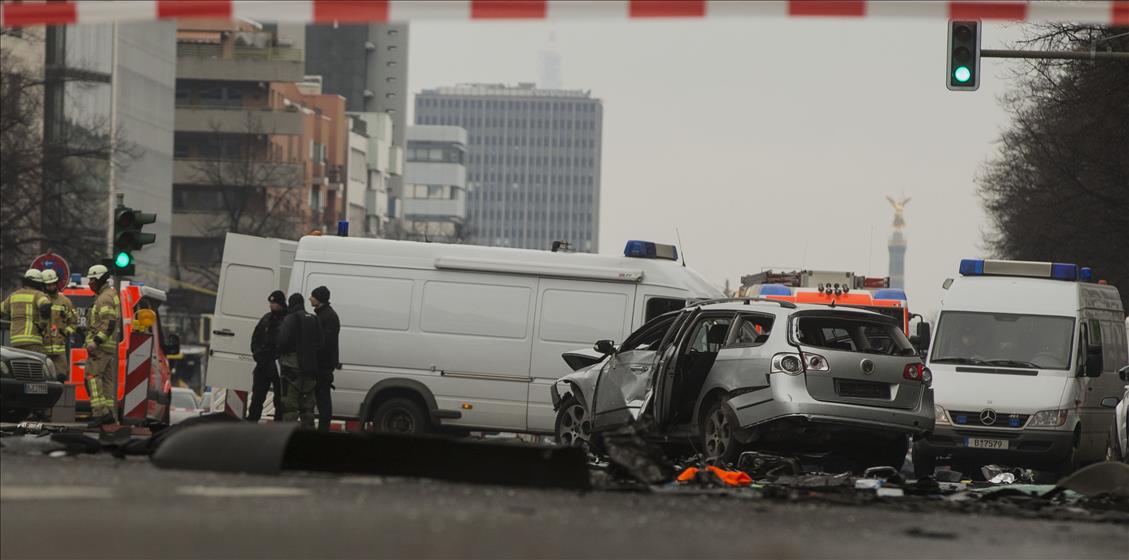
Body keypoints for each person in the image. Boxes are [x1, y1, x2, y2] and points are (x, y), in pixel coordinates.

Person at [274, 293, 322, 428]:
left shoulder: (290, 319)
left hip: (292, 368)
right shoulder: (314, 319)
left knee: (290, 406)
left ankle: (291, 436)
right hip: (311, 369)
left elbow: (282, 341)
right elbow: (321, 343)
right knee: (307, 408)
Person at [83, 264, 121, 427]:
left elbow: (108, 322)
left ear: (100, 279)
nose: (90, 283)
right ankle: (110, 414)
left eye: (92, 279)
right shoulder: (110, 294)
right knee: (107, 382)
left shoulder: (104, 298)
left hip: (100, 348)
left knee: (91, 377)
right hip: (109, 348)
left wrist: (95, 342)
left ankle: (100, 413)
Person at [247, 290, 287, 422]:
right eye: (270, 303)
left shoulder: (288, 320)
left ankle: (278, 427)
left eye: (273, 303)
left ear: (280, 304)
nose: (270, 305)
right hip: (263, 364)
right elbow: (255, 339)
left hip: (278, 366)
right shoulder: (266, 318)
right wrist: (257, 355)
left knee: (280, 400)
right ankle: (252, 422)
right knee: (257, 397)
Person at [309, 285, 339, 432]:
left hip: (323, 366)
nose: (310, 298)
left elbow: (325, 343)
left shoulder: (327, 317)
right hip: (322, 365)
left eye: (312, 296)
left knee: (323, 401)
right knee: (321, 400)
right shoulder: (324, 315)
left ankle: (323, 430)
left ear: (319, 299)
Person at [1, 269, 51, 355]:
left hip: (15, 341)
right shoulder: (38, 295)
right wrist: (42, 325)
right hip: (32, 341)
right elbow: (45, 308)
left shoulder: (14, 295)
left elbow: (1, 309)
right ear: (38, 283)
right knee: (34, 366)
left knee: (18, 367)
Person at [40, 269, 77, 379]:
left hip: (59, 348)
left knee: (61, 377)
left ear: (56, 283)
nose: (50, 287)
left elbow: (74, 322)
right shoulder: (40, 299)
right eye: (48, 285)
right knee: (42, 378)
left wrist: (65, 332)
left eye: (52, 284)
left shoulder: (65, 301)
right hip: (42, 348)